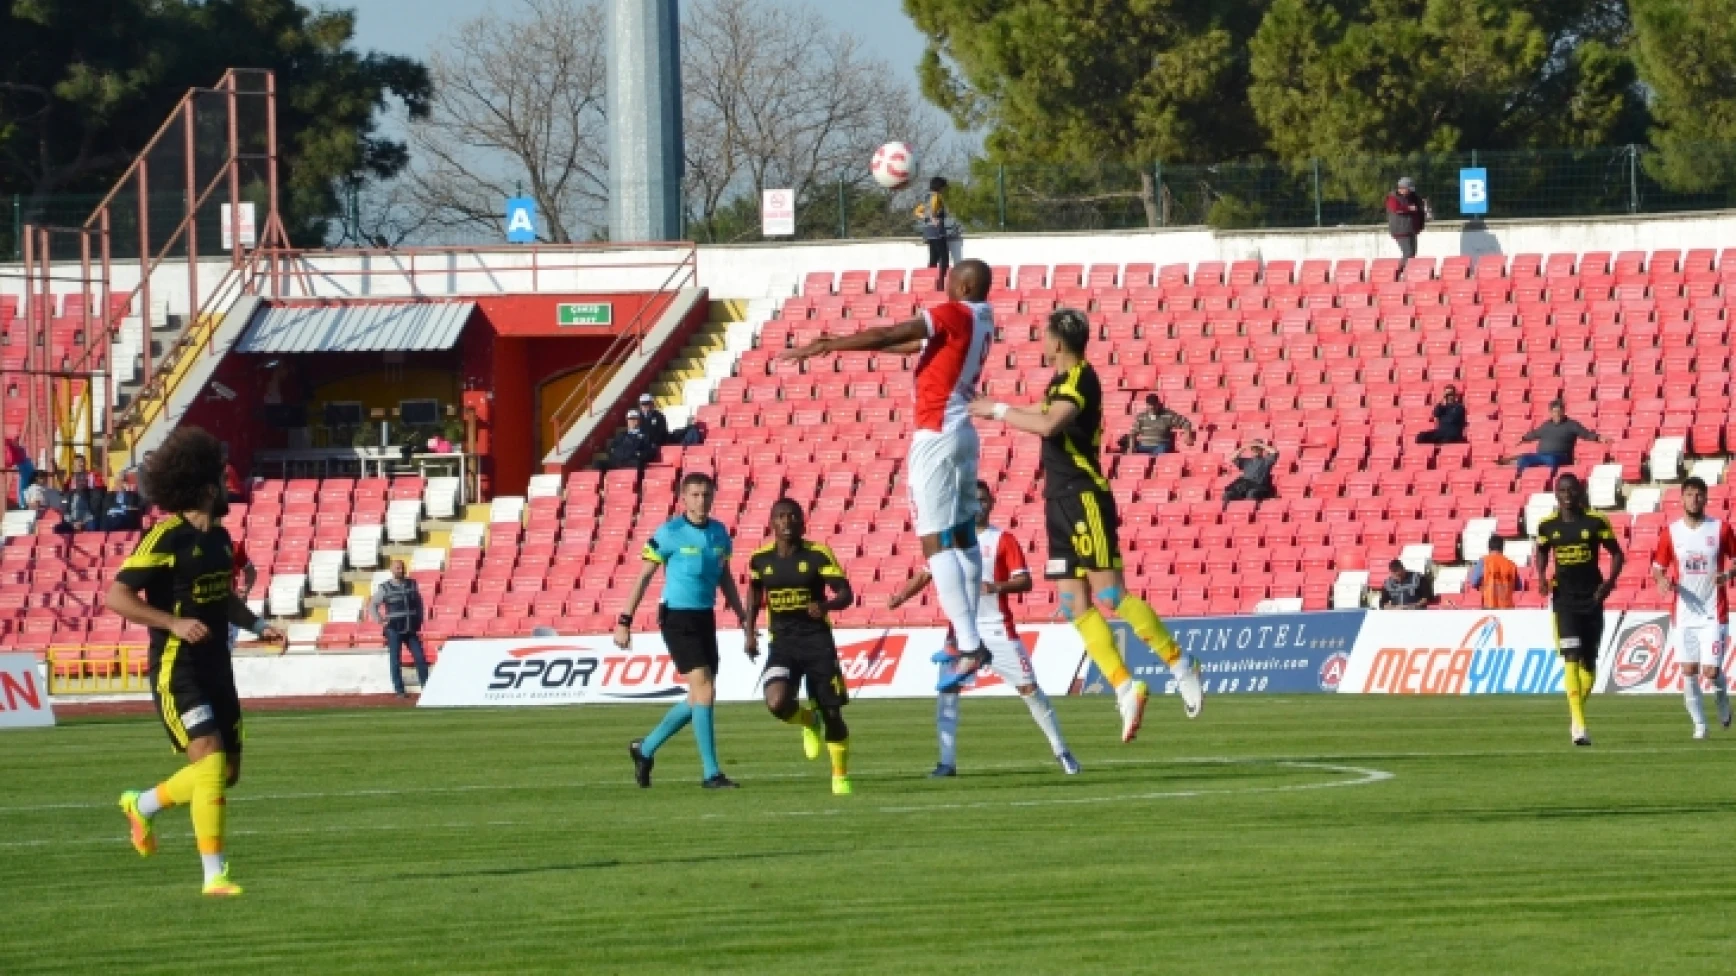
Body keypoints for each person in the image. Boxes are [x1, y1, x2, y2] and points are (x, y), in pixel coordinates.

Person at [971, 307, 1203, 742]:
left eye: (1044, 336)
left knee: (1112, 594)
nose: (1041, 343)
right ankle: (1124, 685)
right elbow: (1043, 416)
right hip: (1058, 501)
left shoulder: (1080, 379)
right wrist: (995, 407)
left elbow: (1047, 423)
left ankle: (1179, 662)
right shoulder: (1060, 383)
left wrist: (996, 410)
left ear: (1057, 342)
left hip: (1083, 497)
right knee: (1074, 604)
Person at [783, 259, 998, 685]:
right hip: (962, 433)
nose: (945, 282)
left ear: (966, 283)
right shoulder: (982, 317)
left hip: (936, 433)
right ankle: (969, 632)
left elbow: (890, 333)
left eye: (951, 278)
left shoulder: (953, 312)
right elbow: (902, 346)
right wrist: (848, 344)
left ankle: (970, 644)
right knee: (962, 535)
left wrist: (831, 345)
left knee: (934, 541)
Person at [110, 426, 284, 897]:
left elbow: (221, 597)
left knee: (227, 773)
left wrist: (257, 625)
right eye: (222, 479)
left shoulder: (222, 540)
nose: (229, 485)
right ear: (207, 487)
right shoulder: (166, 537)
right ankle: (215, 876)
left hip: (216, 667)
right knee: (207, 759)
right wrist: (172, 622)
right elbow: (118, 596)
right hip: (177, 666)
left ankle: (142, 805)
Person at [887, 480, 1077, 776]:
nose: (977, 506)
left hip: (998, 630)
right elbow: (926, 574)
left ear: (991, 504)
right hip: (961, 633)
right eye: (972, 500)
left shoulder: (1003, 540)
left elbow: (1025, 581)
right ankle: (946, 762)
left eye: (983, 500)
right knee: (948, 692)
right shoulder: (947, 540)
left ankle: (1061, 751)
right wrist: (901, 595)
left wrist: (995, 586)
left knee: (1029, 689)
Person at [621, 472, 752, 789]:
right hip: (677, 618)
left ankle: (645, 748)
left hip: (704, 618)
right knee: (705, 690)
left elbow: (725, 578)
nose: (701, 501)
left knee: (698, 698)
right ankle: (711, 773)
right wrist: (624, 620)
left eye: (706, 494)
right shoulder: (670, 533)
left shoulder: (720, 533)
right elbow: (644, 577)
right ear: (683, 498)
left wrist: (742, 616)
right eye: (694, 495)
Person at [745, 498, 858, 795]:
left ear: (802, 522)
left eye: (792, 517)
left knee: (833, 712)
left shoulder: (818, 554)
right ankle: (809, 719)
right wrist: (748, 632)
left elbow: (846, 594)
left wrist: (826, 605)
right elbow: (755, 594)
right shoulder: (760, 559)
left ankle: (839, 775)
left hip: (818, 643)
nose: (786, 522)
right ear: (771, 523)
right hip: (782, 644)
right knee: (776, 702)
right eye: (780, 517)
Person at [1534, 473, 1623, 747]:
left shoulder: (1596, 522)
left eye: (1572, 490)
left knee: (1590, 665)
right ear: (1556, 494)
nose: (1567, 495)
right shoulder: (1547, 525)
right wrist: (1540, 576)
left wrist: (1609, 583)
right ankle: (1579, 726)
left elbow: (1617, 554)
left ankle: (1576, 714)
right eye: (1562, 491)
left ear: (1580, 492)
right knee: (1570, 657)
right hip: (1564, 601)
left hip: (1592, 598)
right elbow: (1541, 551)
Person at [1650, 477, 1736, 739]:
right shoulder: (1671, 532)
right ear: (1682, 498)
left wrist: (1728, 575)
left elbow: (1735, 560)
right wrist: (1662, 580)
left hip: (1713, 613)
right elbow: (1657, 567)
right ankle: (1700, 726)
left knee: (1710, 672)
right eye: (1689, 494)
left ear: (1706, 498)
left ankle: (1722, 701)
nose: (1694, 499)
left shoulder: (1720, 529)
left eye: (1699, 495)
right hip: (1685, 614)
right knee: (1688, 670)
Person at [1501, 401, 1600, 488]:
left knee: (1551, 459)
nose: (1556, 414)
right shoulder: (1546, 425)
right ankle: (1519, 480)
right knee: (1524, 459)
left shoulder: (1572, 424)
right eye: (1554, 411)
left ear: (1563, 411)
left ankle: (1550, 483)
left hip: (1562, 457)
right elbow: (1535, 433)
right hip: (1541, 456)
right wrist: (1523, 438)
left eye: (1558, 411)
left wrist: (1598, 438)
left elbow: (1586, 434)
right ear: (1550, 413)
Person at [370, 559, 430, 698]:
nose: (400, 570)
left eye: (402, 568)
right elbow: (373, 605)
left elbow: (419, 603)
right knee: (395, 660)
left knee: (420, 658)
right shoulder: (384, 588)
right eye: (397, 568)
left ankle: (426, 688)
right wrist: (380, 620)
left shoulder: (412, 584)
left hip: (410, 629)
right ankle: (399, 690)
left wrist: (420, 618)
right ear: (392, 570)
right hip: (394, 629)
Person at [916, 176, 952, 288]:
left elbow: (917, 212)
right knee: (944, 257)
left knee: (933, 257)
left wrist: (927, 218)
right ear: (940, 187)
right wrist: (933, 218)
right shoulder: (936, 196)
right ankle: (941, 282)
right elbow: (933, 209)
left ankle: (930, 282)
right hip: (937, 230)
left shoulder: (926, 196)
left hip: (928, 231)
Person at [1468, 535, 1522, 609]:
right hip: (1507, 608)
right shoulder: (1511, 564)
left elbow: (1474, 582)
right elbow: (1518, 587)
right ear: (1502, 548)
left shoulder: (1484, 561)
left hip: (1489, 606)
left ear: (1489, 548)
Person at [1128, 395, 1193, 455]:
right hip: (1144, 445)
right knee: (1130, 454)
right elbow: (1133, 433)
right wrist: (1131, 446)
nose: (1152, 408)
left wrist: (1188, 436)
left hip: (1161, 445)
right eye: (1150, 406)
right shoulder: (1141, 416)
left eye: (1154, 406)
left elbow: (1186, 423)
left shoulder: (1168, 415)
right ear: (1147, 405)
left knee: (1160, 452)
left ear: (1158, 404)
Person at [1222, 440, 1278, 509]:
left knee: (1251, 494)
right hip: (1244, 484)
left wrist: (1260, 445)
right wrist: (1245, 447)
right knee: (1228, 494)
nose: (1255, 451)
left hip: (1258, 486)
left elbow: (1274, 452)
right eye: (1254, 449)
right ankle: (1225, 512)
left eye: (1257, 449)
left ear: (1262, 450)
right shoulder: (1247, 461)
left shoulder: (1267, 461)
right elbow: (1232, 457)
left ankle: (1250, 512)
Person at [1386, 176, 1426, 270]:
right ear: (1402, 188)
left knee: (1412, 253)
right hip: (1400, 230)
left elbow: (1418, 207)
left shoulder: (1412, 197)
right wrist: (1409, 208)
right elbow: (1396, 209)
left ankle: (1408, 271)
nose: (1410, 191)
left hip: (1411, 229)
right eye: (1408, 189)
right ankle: (1399, 271)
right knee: (1407, 252)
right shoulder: (1393, 198)